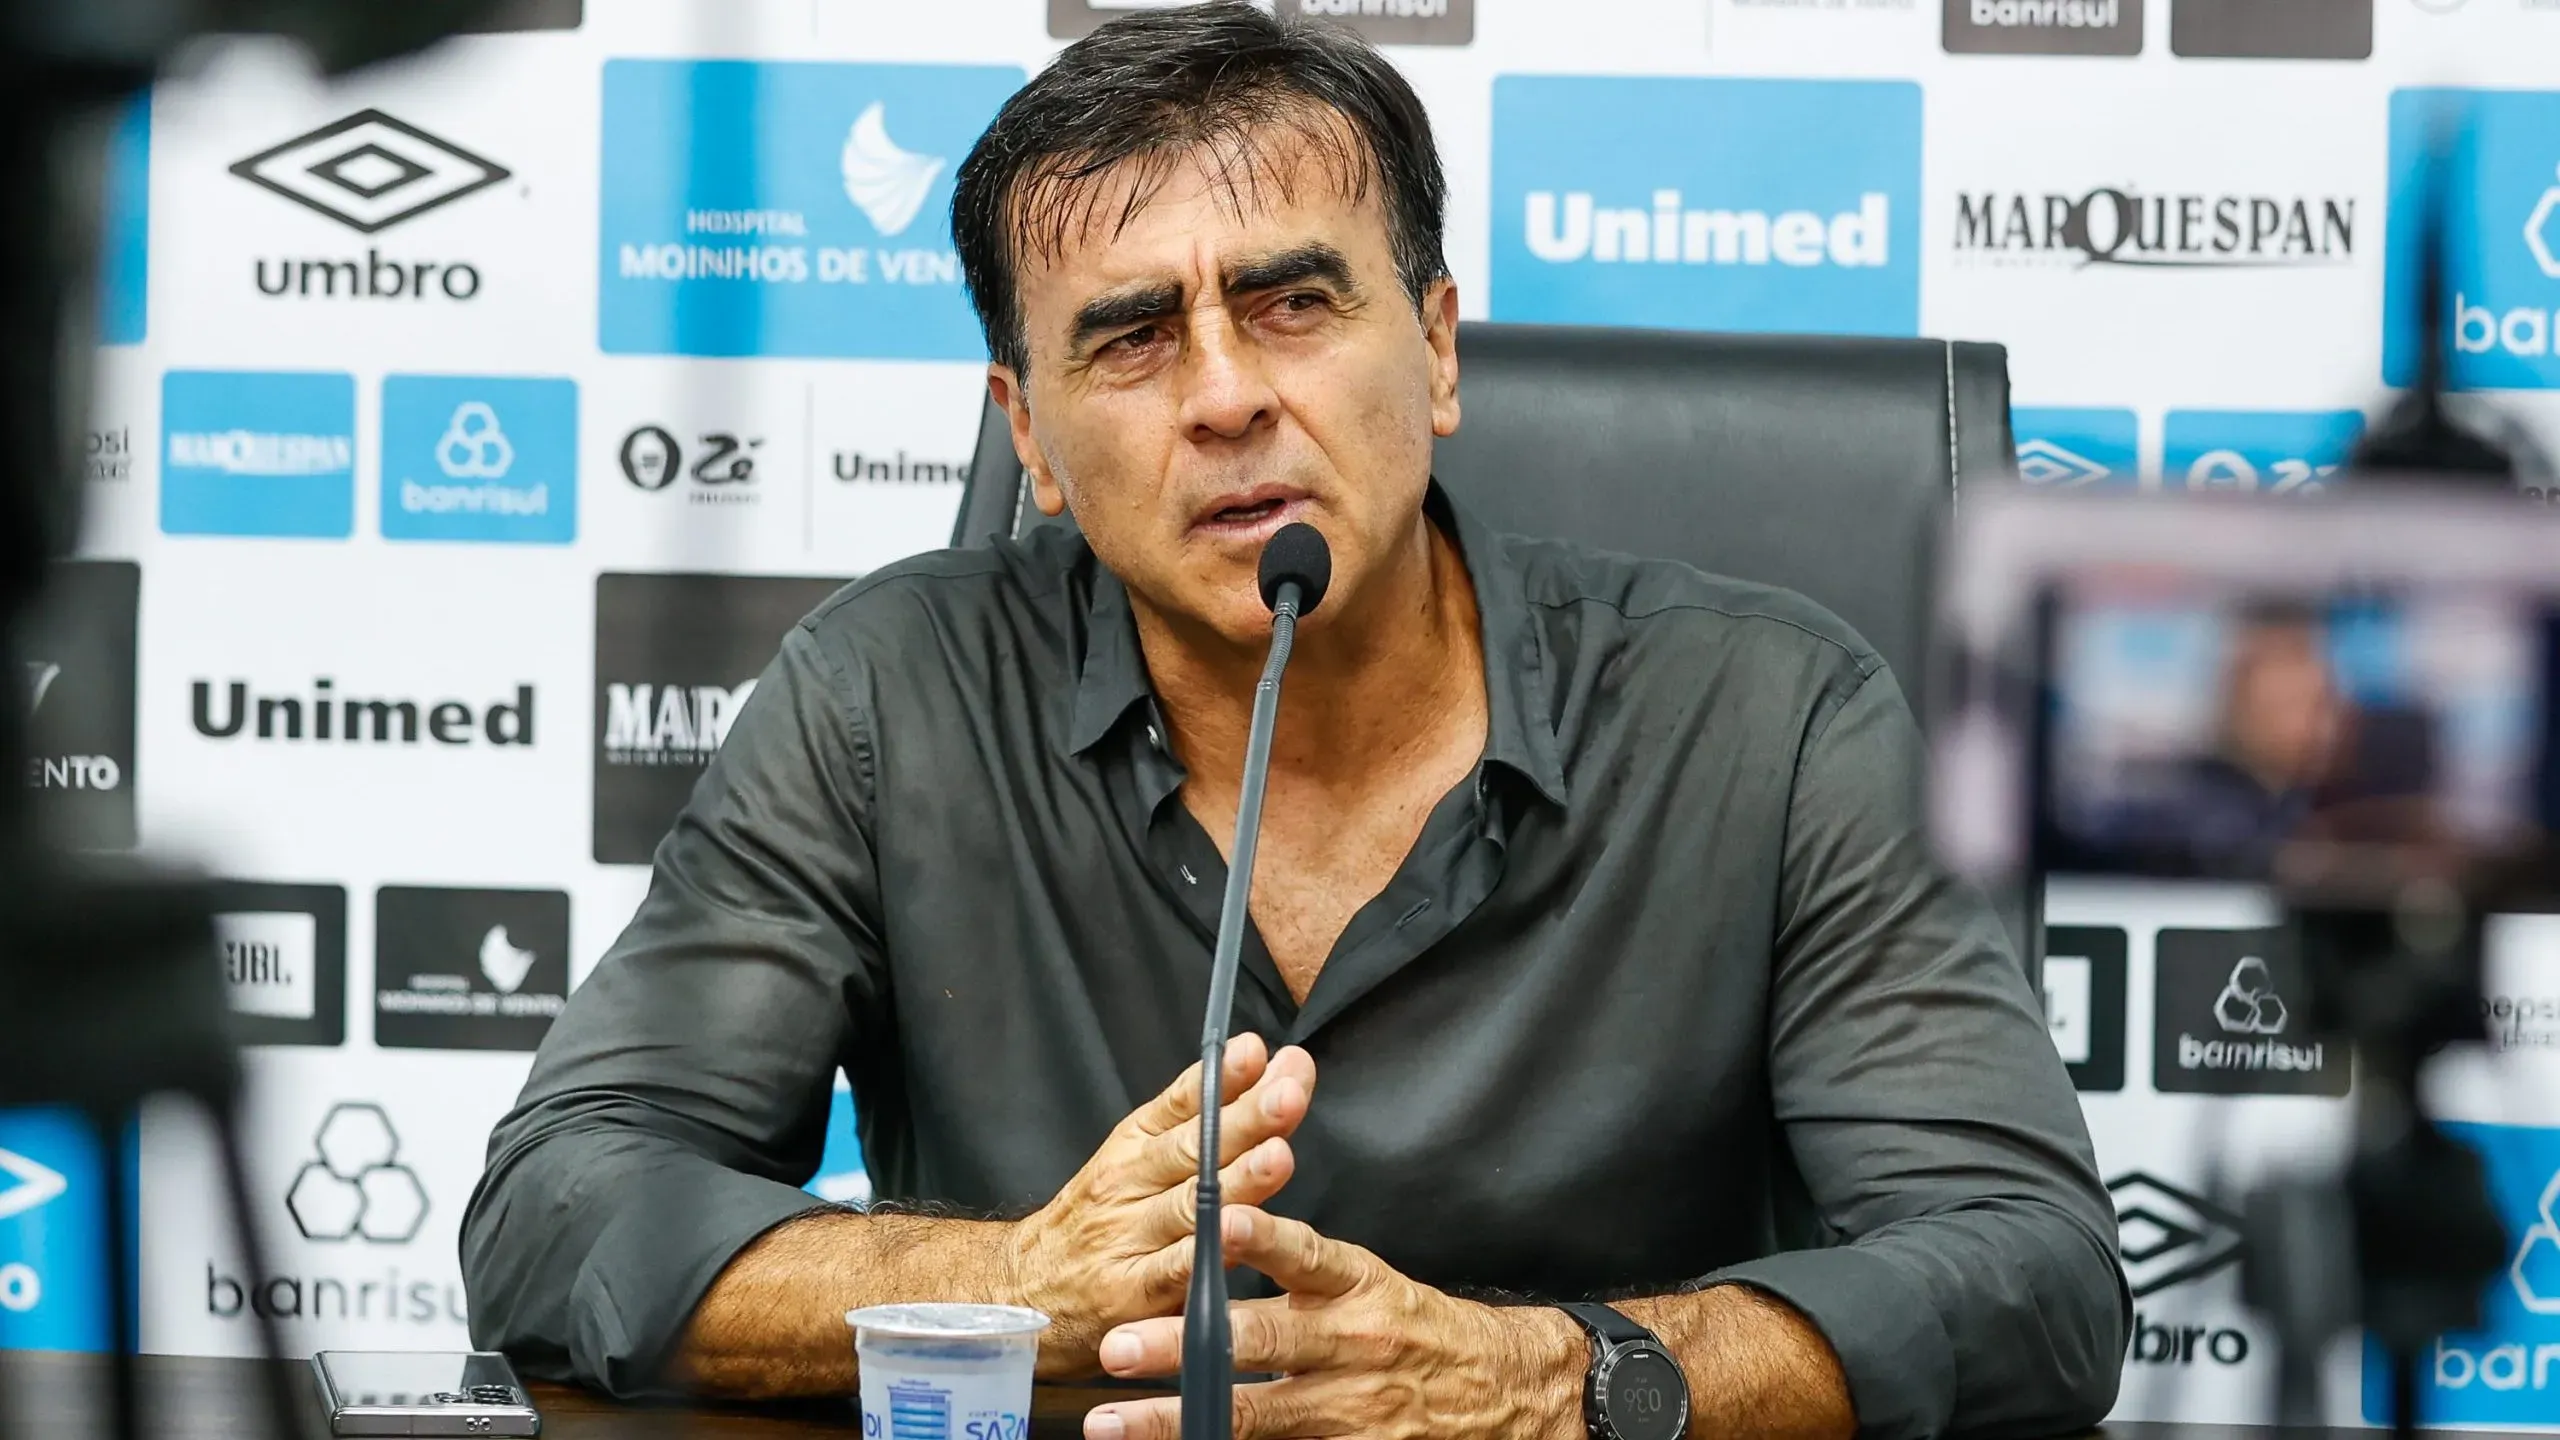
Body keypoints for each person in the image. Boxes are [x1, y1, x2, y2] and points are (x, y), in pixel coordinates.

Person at [460, 6, 2128, 1437]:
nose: (1223, 395)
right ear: (1027, 440)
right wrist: (1008, 1289)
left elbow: (2026, 1276)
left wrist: (1552, 1382)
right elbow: (564, 1201)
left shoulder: (1771, 717)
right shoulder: (887, 695)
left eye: (1292, 304)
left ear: (1440, 348)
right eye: (1128, 338)